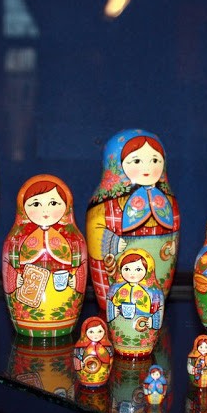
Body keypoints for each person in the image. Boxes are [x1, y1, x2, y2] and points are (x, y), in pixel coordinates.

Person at [87, 129, 179, 308]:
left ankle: (154, 306)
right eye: (137, 161)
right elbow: (97, 231)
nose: (148, 167)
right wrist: (113, 243)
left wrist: (171, 244)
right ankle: (113, 307)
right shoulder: (104, 205)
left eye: (155, 160)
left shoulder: (168, 201)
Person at [3, 175, 87, 336]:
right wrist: (15, 279)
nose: (45, 210)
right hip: (28, 296)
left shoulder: (74, 239)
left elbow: (81, 265)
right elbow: (8, 264)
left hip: (62, 293)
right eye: (36, 204)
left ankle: (63, 323)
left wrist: (75, 280)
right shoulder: (16, 239)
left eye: (53, 203)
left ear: (67, 205)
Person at [73, 316, 114, 387]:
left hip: (102, 372)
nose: (96, 335)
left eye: (100, 331)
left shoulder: (108, 346)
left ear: (105, 331)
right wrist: (80, 363)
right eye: (91, 332)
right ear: (84, 332)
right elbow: (77, 358)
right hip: (85, 374)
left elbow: (110, 360)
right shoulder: (80, 347)